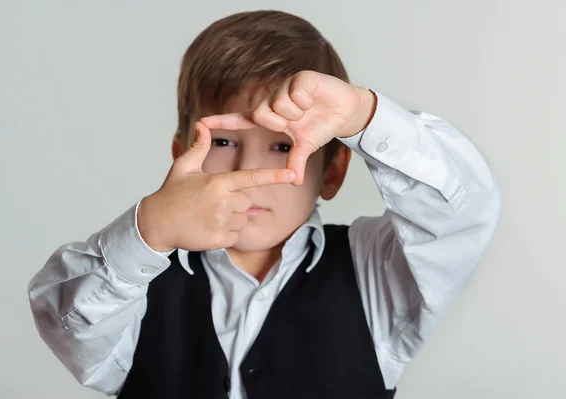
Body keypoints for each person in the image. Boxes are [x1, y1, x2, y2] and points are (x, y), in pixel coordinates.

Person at [28, 9, 501, 399]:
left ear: (332, 171)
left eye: (281, 146)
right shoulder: (132, 286)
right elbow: (67, 321)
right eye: (224, 141)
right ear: (181, 156)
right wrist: (148, 228)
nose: (244, 175)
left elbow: (460, 211)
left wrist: (362, 116)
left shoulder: (374, 272)